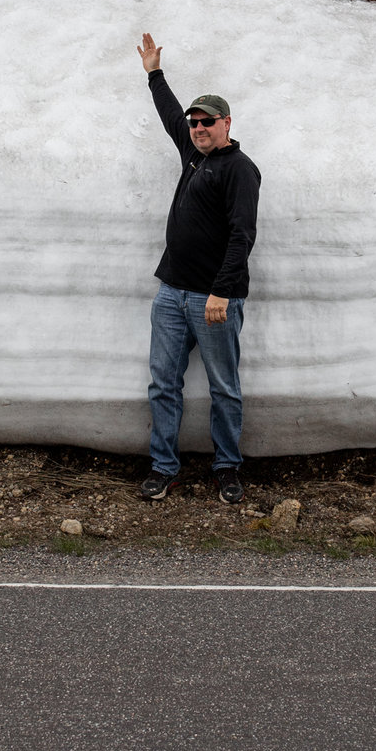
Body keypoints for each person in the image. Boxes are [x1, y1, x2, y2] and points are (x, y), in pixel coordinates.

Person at [136, 31, 261, 505]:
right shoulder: (192, 153)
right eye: (194, 122)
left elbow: (241, 236)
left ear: (226, 123)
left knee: (223, 387)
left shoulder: (239, 169)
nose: (197, 127)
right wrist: (154, 73)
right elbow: (169, 114)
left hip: (213, 299)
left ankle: (227, 467)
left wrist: (221, 292)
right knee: (163, 383)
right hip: (171, 294)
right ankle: (164, 467)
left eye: (207, 121)